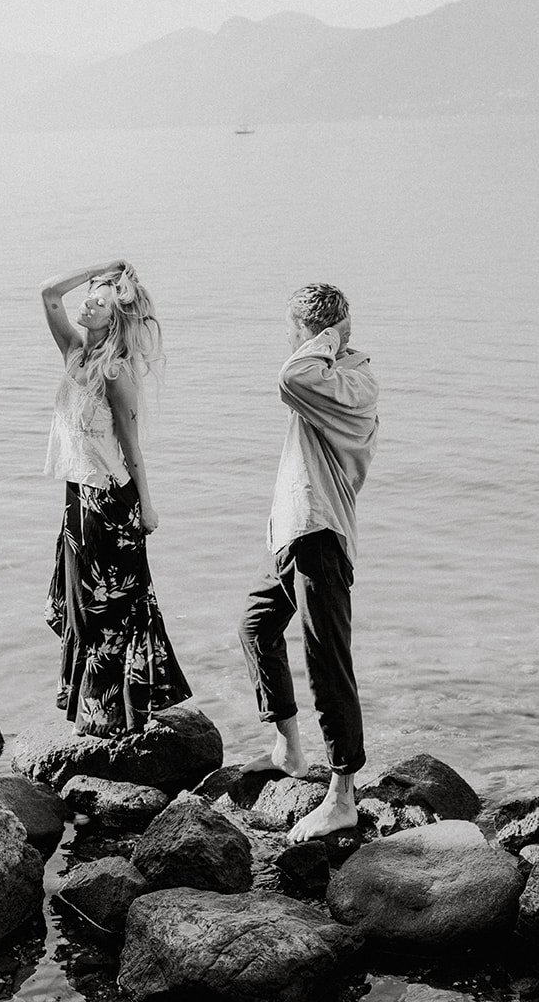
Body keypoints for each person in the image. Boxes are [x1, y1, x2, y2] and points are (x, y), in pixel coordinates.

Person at [238, 282, 379, 841]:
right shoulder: (333, 375)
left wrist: (318, 338)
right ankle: (289, 750)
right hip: (296, 536)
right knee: (256, 626)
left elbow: (288, 376)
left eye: (291, 332)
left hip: (320, 536)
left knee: (327, 663)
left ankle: (343, 795)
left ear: (315, 335)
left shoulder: (348, 382)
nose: (287, 343)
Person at [40, 258, 192, 736]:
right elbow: (48, 293)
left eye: (100, 301)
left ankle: (115, 718)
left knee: (111, 612)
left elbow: (131, 447)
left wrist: (147, 505)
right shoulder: (74, 353)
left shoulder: (116, 372)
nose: (87, 302)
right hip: (77, 498)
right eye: (89, 295)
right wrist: (101, 268)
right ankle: (95, 714)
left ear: (114, 319)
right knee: (82, 608)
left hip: (109, 503)